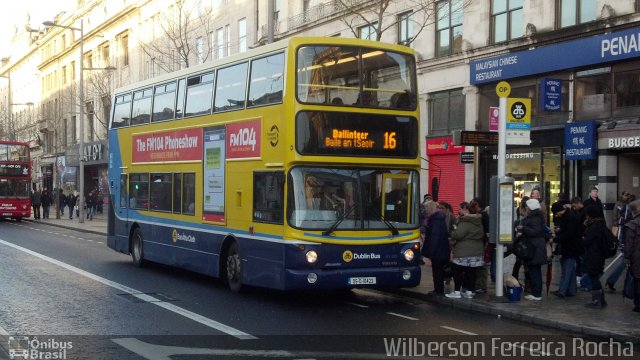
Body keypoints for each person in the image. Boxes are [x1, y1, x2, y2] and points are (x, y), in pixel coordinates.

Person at [446, 200, 485, 299]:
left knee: (457, 271)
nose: (458, 211)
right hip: (477, 251)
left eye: (460, 209)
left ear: (466, 210)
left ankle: (457, 292)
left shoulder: (465, 221)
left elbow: (458, 234)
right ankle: (469, 291)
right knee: (471, 272)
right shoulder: (478, 221)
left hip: (464, 251)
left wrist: (453, 232)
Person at [516, 198, 547, 301]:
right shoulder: (538, 217)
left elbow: (534, 232)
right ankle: (536, 292)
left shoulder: (535, 218)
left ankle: (536, 294)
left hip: (535, 248)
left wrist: (523, 228)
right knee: (535, 271)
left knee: (534, 271)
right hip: (536, 247)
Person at [551, 201, 582, 298]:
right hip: (571, 247)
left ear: (560, 211)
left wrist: (556, 238)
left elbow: (569, 234)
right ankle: (571, 290)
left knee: (567, 270)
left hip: (570, 247)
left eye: (556, 213)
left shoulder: (569, 218)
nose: (556, 215)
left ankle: (562, 291)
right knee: (571, 270)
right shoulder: (567, 217)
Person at [421, 200, 450, 296]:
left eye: (425, 208)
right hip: (441, 249)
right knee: (437, 271)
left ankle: (438, 290)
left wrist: (430, 252)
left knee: (437, 271)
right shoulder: (437, 218)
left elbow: (435, 237)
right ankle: (438, 289)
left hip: (438, 251)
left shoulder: (435, 220)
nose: (424, 210)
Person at [582, 205, 608, 308]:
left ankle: (597, 301)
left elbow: (587, 241)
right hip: (599, 255)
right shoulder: (601, 224)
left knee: (594, 277)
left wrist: (583, 237)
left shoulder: (594, 226)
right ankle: (601, 300)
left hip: (594, 255)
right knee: (595, 277)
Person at [623, 199, 640, 312]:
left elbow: (629, 245)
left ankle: (638, 304)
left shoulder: (632, 225)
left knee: (638, 281)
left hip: (637, 258)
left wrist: (626, 257)